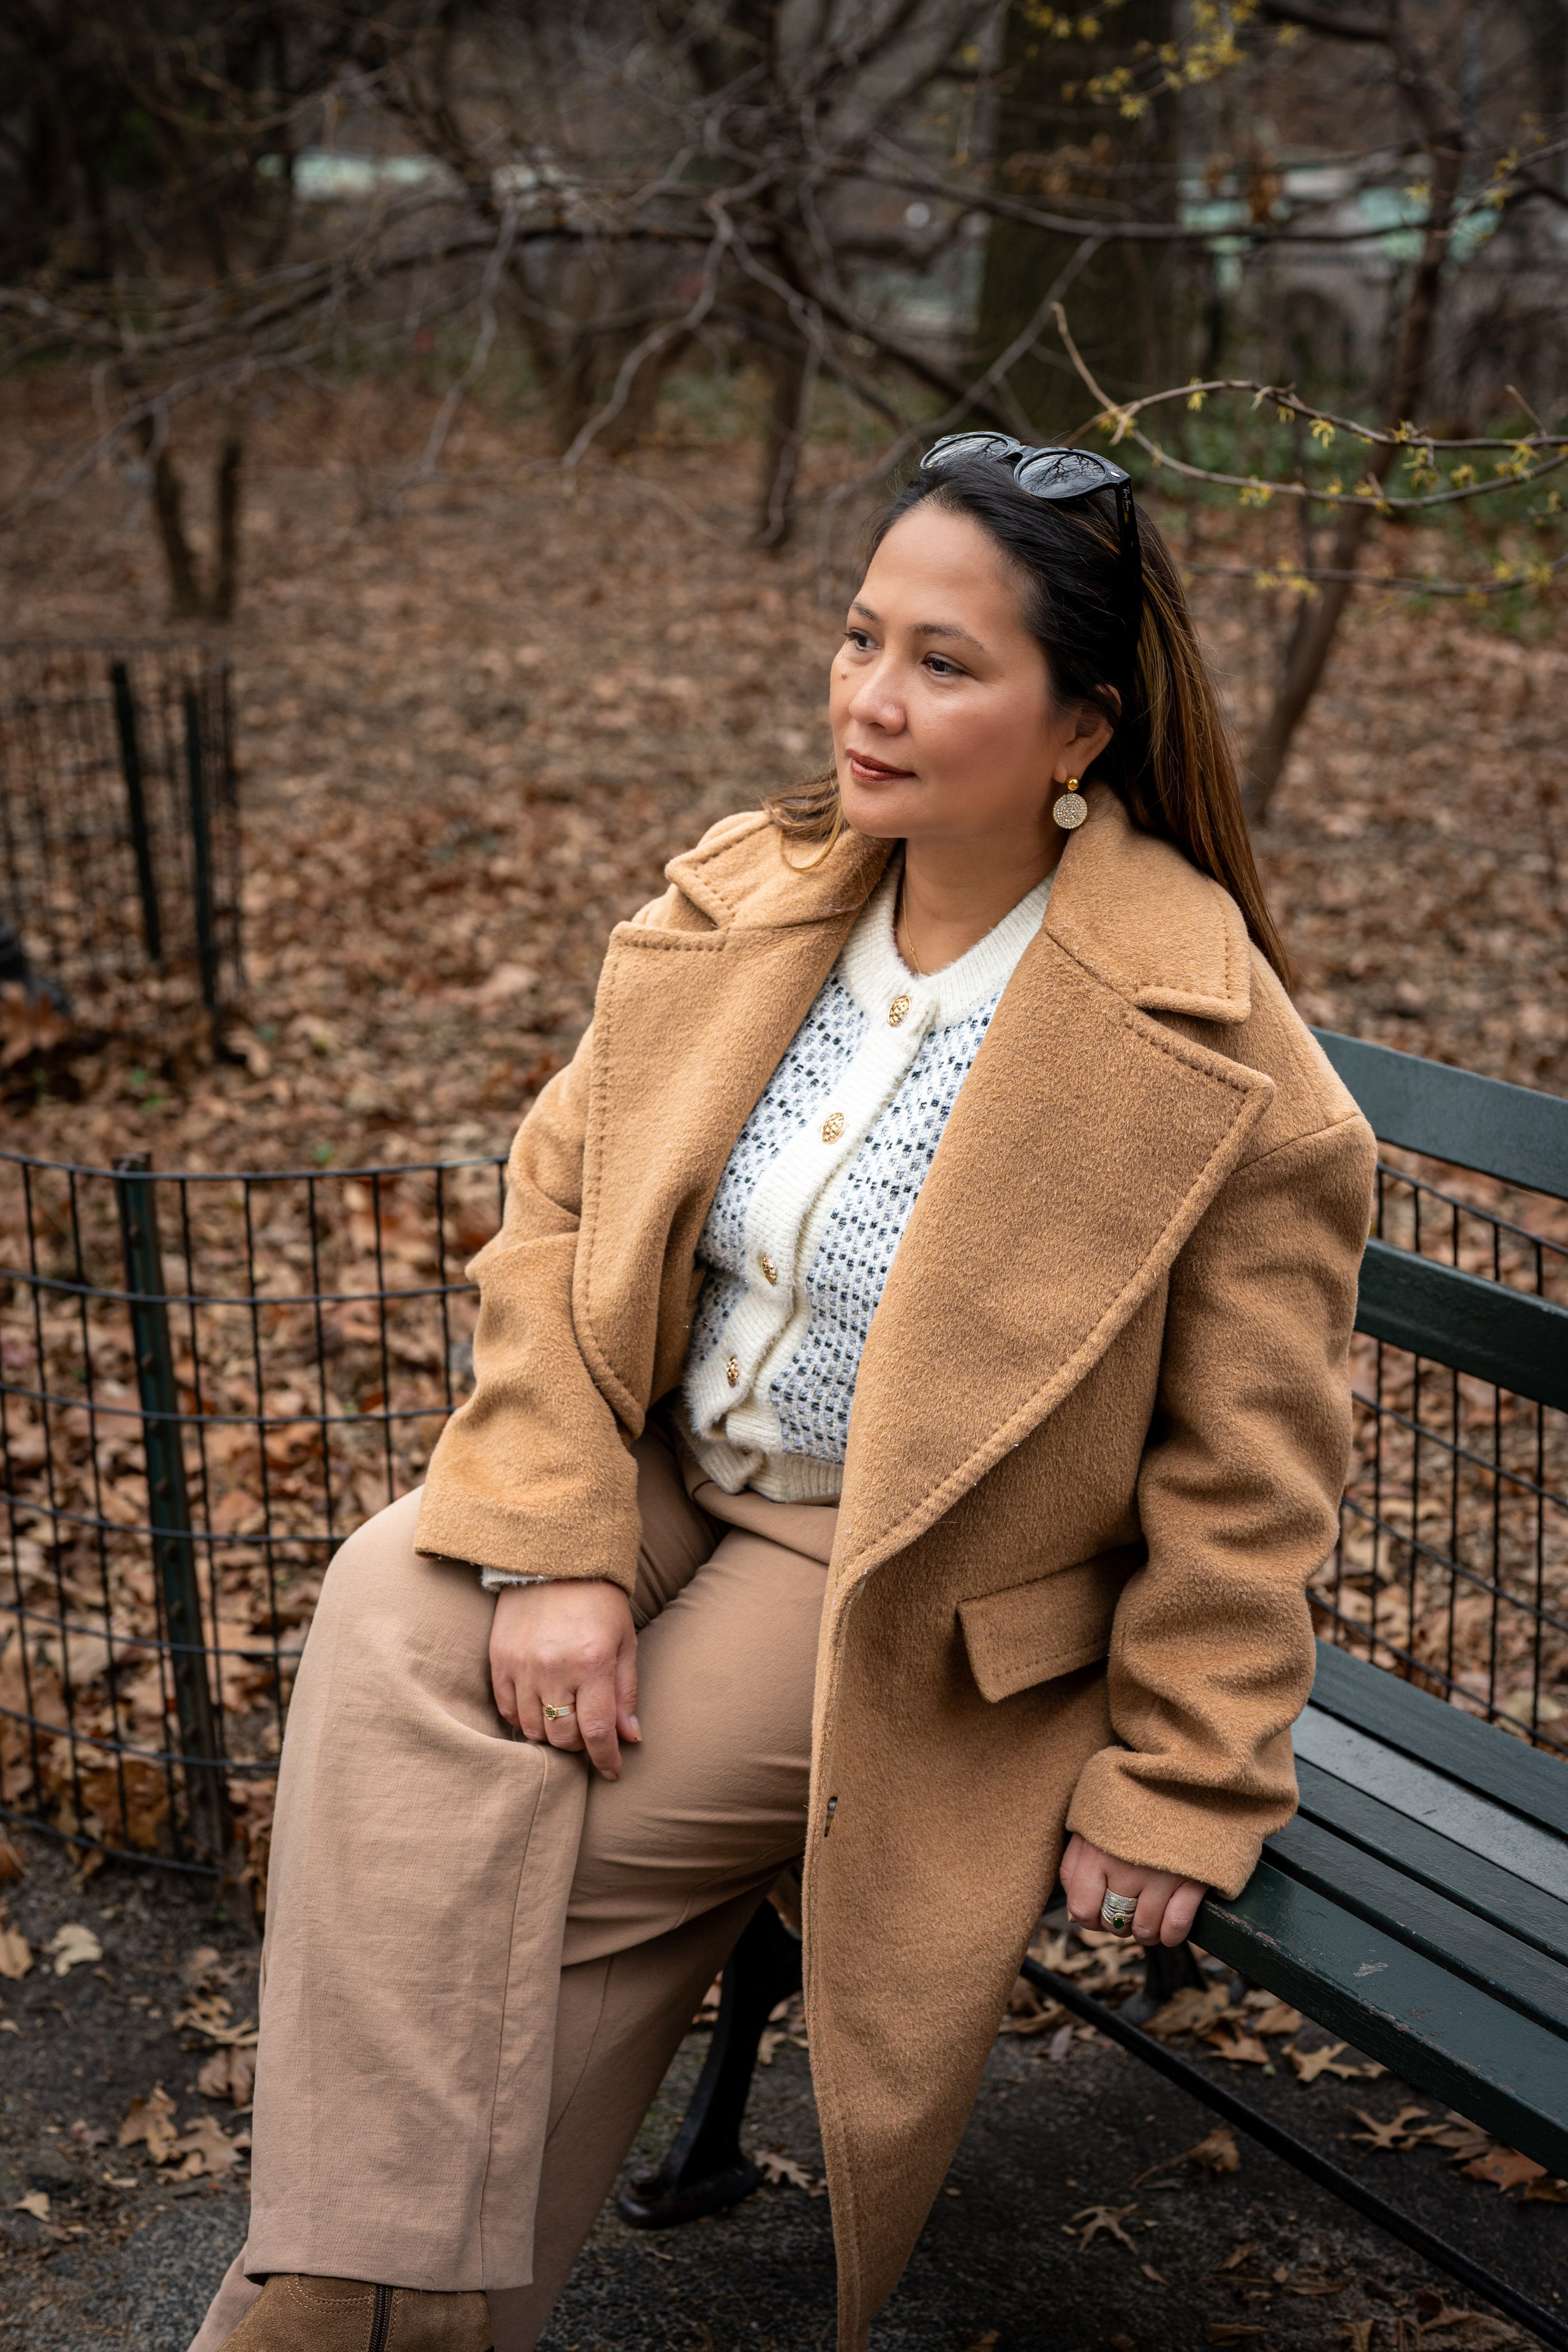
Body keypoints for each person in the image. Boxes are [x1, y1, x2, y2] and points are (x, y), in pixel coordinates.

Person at [192, 435, 1374, 2352]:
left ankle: (317, 2320)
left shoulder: (1222, 1057)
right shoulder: (753, 894)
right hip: (667, 1465)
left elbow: (1253, 1477)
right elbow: (558, 1218)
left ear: (1082, 730)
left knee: (525, 1865)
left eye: (943, 663)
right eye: (858, 637)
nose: (868, 700)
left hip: (890, 1580)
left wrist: (1186, 1775)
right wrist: (557, 1547)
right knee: (390, 1595)